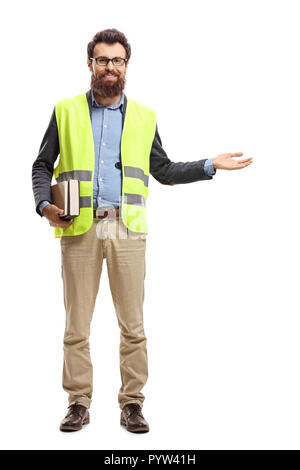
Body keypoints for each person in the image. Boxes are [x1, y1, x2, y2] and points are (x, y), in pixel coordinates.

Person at [31, 28, 253, 433]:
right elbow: (42, 165)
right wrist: (45, 205)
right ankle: (78, 402)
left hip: (127, 230)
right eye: (103, 60)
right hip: (78, 228)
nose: (110, 67)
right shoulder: (64, 110)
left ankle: (132, 403)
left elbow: (163, 170)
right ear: (90, 64)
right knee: (76, 324)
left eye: (117, 60)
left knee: (132, 324)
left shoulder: (145, 116)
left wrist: (210, 164)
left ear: (126, 66)